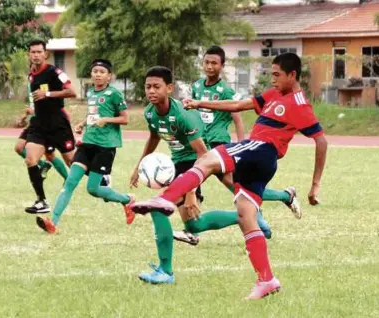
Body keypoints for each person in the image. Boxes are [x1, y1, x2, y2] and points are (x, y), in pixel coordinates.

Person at [131, 53, 328, 299]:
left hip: (260, 149)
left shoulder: (300, 105)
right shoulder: (274, 94)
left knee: (207, 160)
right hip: (261, 160)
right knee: (246, 217)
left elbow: (321, 140)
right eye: (271, 74)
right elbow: (237, 106)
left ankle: (166, 198)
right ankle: (266, 280)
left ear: (293, 75)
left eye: (277, 75)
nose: (273, 79)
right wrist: (200, 103)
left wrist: (315, 184)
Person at [129, 66, 271, 285]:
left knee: (158, 209)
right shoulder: (149, 112)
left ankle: (165, 271)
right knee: (195, 226)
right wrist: (138, 166)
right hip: (177, 165)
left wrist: (191, 193)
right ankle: (247, 217)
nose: (151, 91)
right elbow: (154, 137)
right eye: (148, 87)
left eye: (157, 87)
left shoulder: (184, 116)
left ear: (169, 88)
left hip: (194, 164)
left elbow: (202, 157)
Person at [174, 45, 300, 245]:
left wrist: (243, 144)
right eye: (206, 62)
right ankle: (282, 198)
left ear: (222, 66)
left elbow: (237, 117)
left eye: (214, 63)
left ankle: (278, 203)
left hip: (219, 143)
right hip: (203, 143)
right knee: (224, 186)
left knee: (236, 188)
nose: (209, 66)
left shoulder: (225, 90)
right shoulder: (197, 86)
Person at [36, 59, 135, 233]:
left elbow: (125, 119)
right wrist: (83, 123)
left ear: (109, 76)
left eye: (102, 72)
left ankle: (127, 200)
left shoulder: (114, 94)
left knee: (93, 189)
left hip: (105, 147)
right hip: (87, 143)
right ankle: (53, 222)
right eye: (95, 71)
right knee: (70, 182)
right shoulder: (91, 93)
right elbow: (93, 114)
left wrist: (107, 120)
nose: (97, 74)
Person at [23, 39, 77, 214]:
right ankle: (42, 201)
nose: (36, 55)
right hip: (40, 124)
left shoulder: (55, 72)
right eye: (33, 52)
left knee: (73, 162)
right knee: (30, 159)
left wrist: (47, 94)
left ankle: (101, 176)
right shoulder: (31, 74)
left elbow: (72, 92)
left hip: (58, 124)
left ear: (45, 54)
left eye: (39, 52)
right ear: (29, 55)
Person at [15, 82, 68, 181]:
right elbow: (33, 106)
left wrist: (34, 112)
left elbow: (51, 107)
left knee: (50, 155)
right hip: (35, 123)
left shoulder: (45, 83)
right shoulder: (30, 83)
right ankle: (44, 165)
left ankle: (67, 179)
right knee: (19, 148)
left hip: (48, 124)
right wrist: (24, 117)